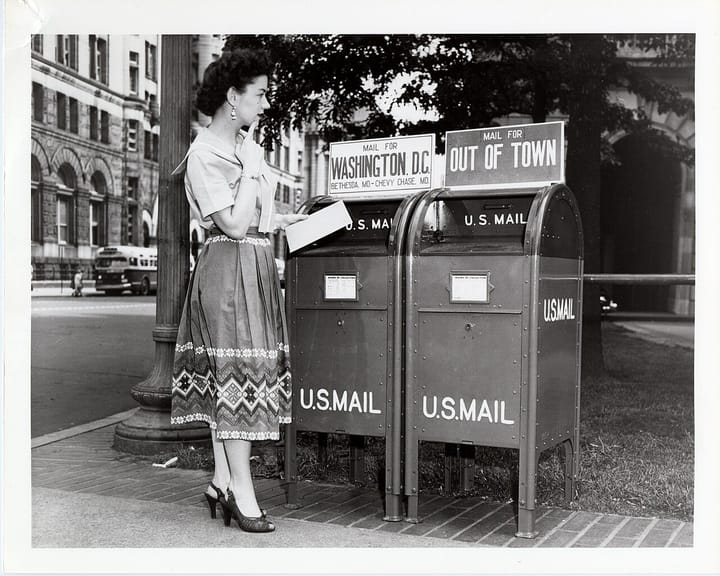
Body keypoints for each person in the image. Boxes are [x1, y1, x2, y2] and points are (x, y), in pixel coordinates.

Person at [170, 48, 306, 533]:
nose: (267, 103)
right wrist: (250, 167)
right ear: (233, 97)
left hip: (251, 264)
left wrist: (286, 220)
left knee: (233, 374)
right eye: (261, 93)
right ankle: (241, 495)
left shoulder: (240, 148)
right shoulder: (206, 153)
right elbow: (230, 223)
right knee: (237, 376)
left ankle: (222, 481)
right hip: (228, 271)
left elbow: (252, 218)